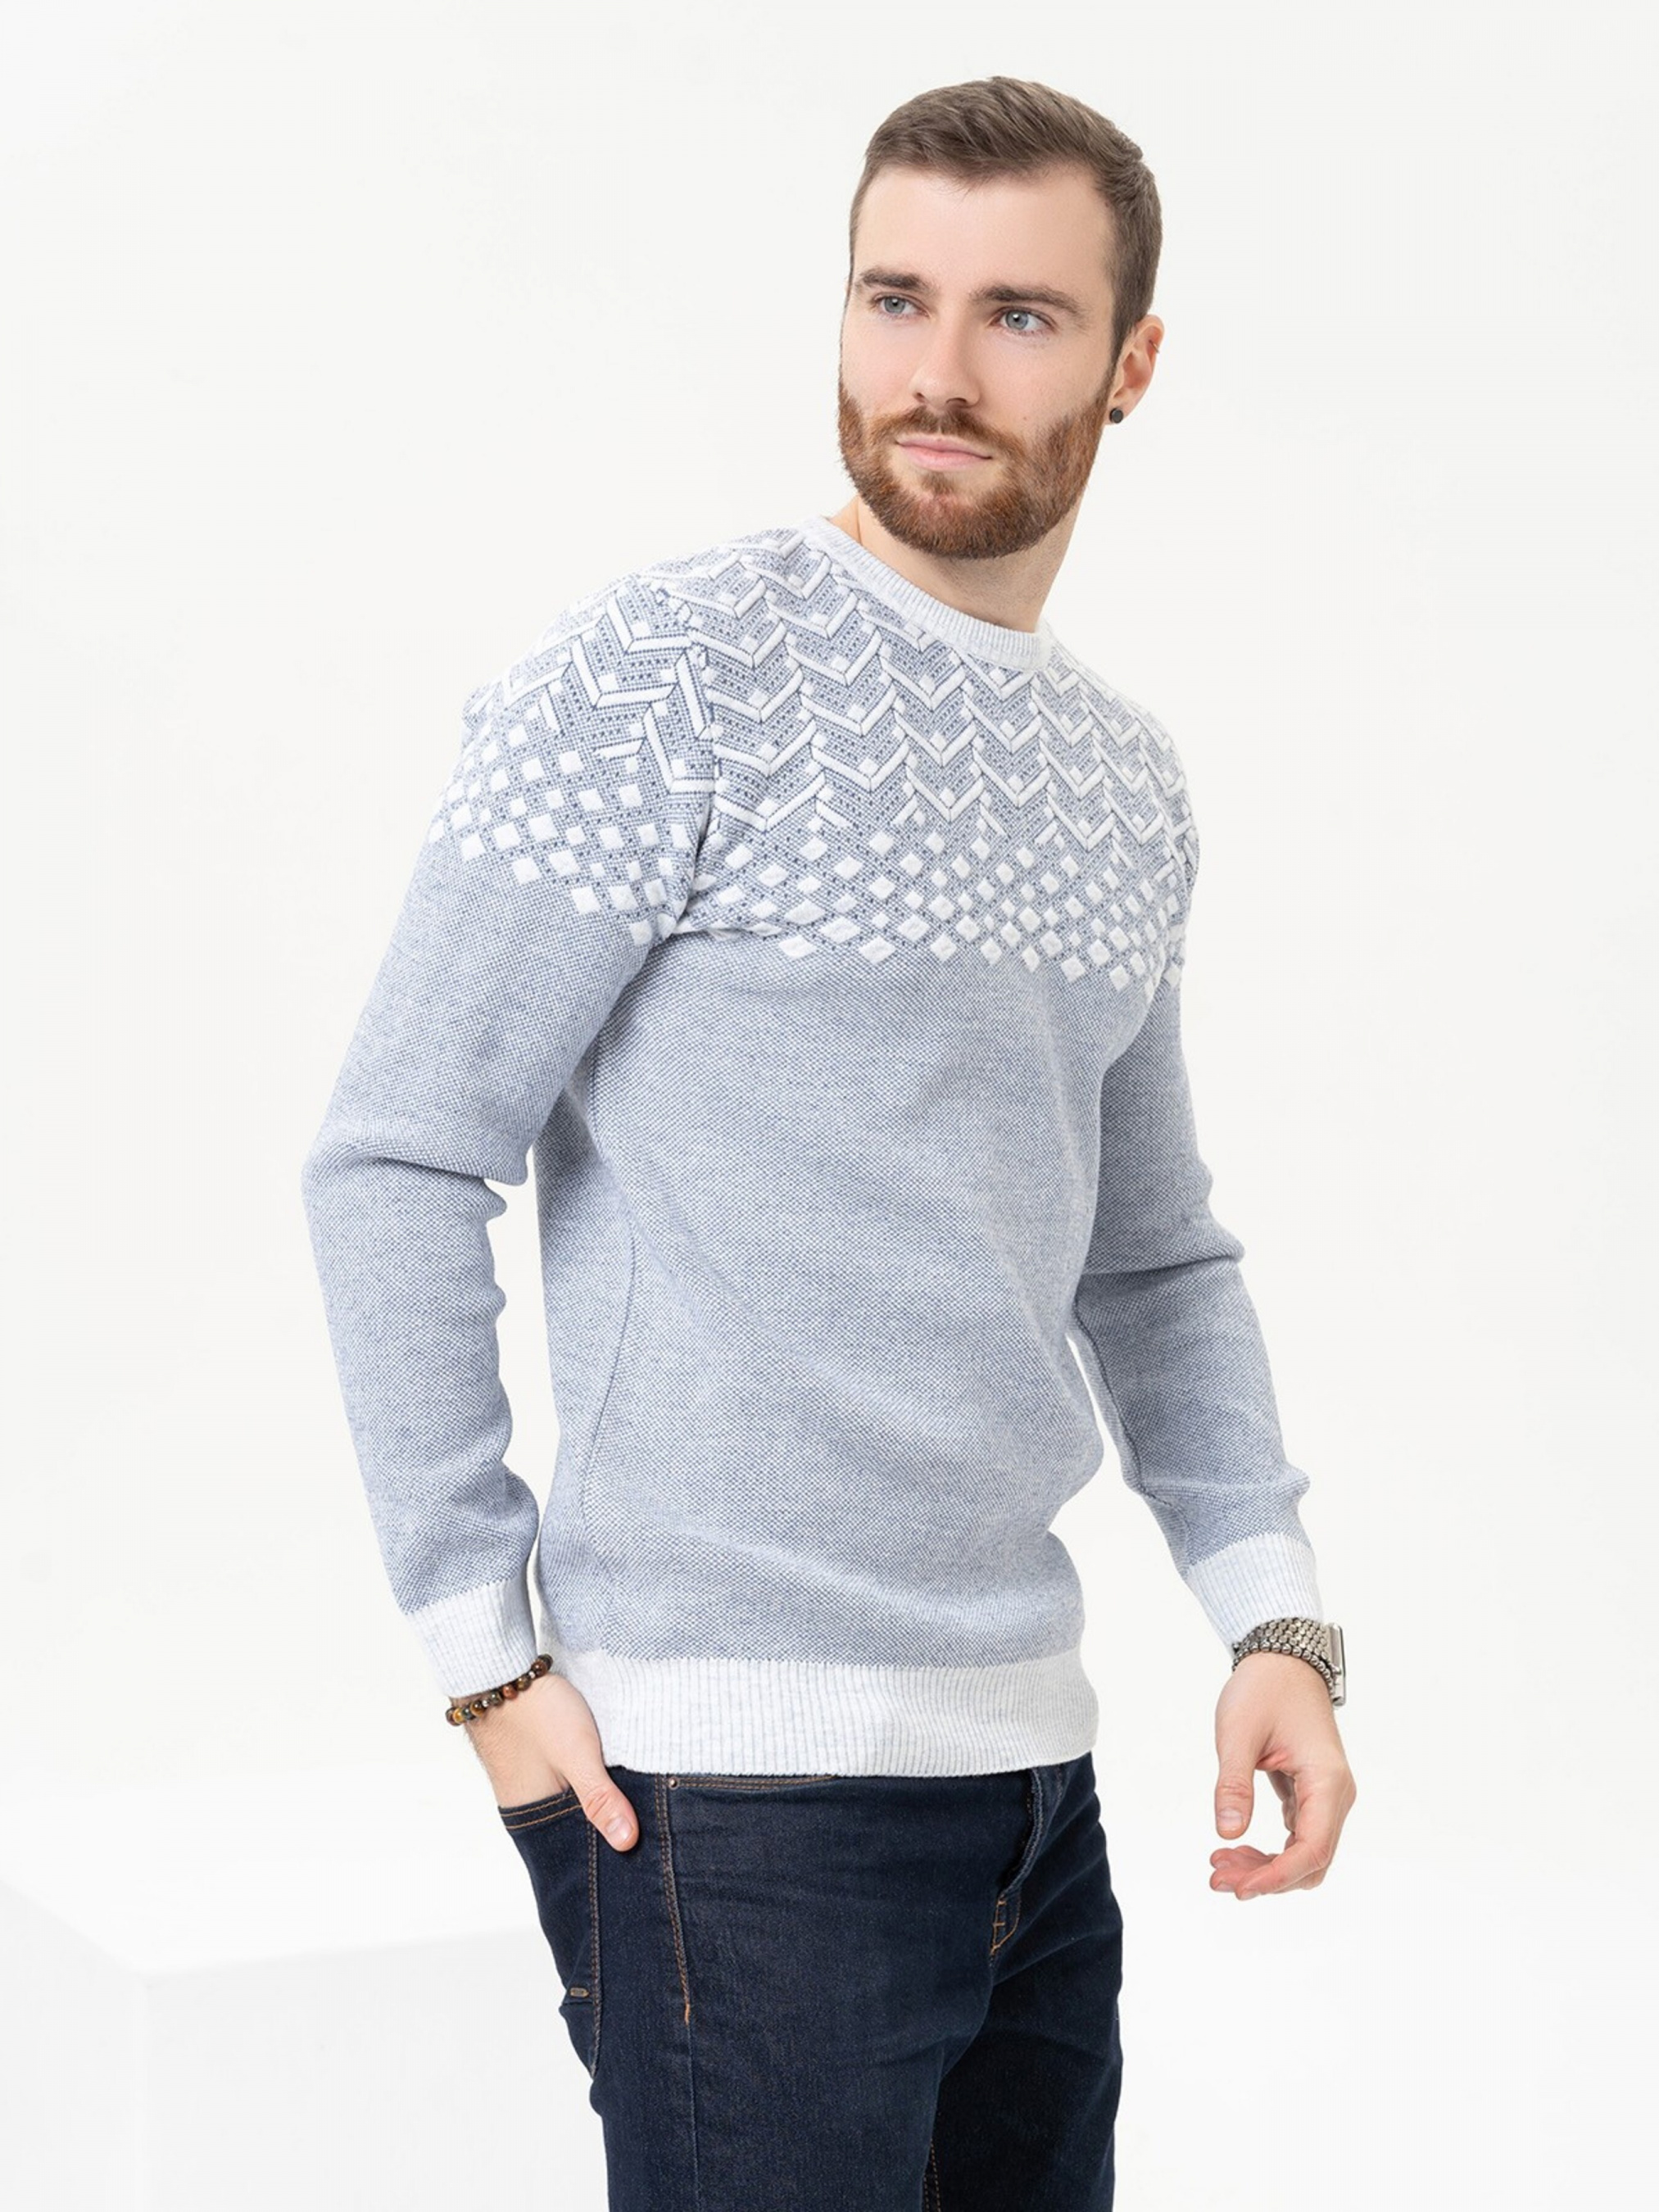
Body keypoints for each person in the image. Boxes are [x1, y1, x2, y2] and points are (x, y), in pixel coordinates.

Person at [300, 72, 1356, 2212]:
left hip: (1034, 1780)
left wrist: (1273, 1618)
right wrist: (483, 1656)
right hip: (727, 1798)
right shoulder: (668, 676)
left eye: (1019, 315)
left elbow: (1148, 1253)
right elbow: (398, 1152)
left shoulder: (1122, 777)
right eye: (894, 298)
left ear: (1133, 360)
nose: (936, 370)